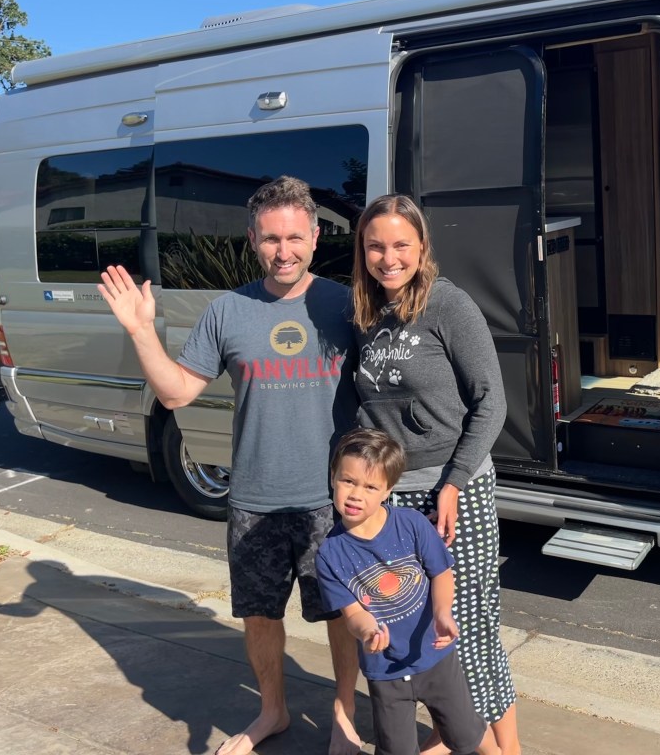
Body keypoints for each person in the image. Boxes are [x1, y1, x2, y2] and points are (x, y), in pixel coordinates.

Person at [97, 176, 362, 755]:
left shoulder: (347, 305)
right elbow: (176, 393)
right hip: (255, 498)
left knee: (343, 614)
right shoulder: (227, 310)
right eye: (271, 239)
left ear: (316, 236)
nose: (283, 251)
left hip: (334, 501)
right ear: (252, 240)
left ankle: (344, 720)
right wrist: (140, 331)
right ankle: (273, 711)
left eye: (294, 237)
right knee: (260, 616)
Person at [350, 194, 520, 755]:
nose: (389, 258)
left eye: (401, 244)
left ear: (422, 246)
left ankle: (496, 746)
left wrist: (453, 483)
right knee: (415, 628)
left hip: (453, 492)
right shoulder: (365, 314)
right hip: (392, 500)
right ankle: (464, 739)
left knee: (469, 628)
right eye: (376, 246)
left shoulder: (448, 305)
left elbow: (492, 402)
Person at [317, 428, 501, 755]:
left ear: (387, 490)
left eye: (370, 486)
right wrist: (368, 632)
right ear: (333, 477)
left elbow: (441, 573)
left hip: (435, 656)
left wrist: (442, 613)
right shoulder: (329, 555)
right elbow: (353, 613)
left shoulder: (412, 524)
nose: (356, 494)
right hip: (385, 671)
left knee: (466, 734)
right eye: (348, 481)